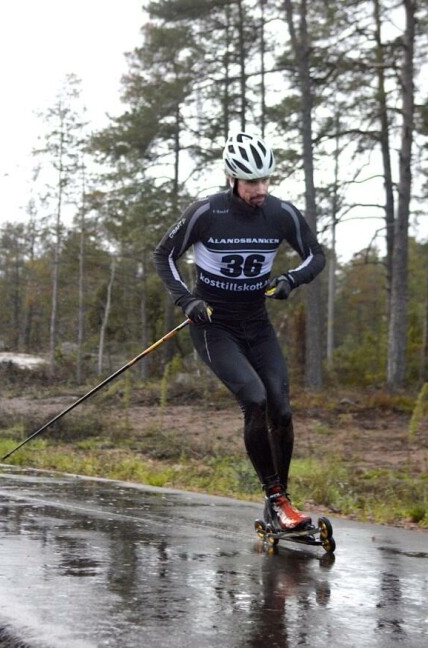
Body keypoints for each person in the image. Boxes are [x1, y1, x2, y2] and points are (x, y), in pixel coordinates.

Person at [153, 131, 326, 532]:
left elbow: (316, 255)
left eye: (265, 180)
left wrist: (290, 281)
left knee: (281, 408)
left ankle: (280, 501)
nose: (260, 189)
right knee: (255, 398)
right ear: (232, 179)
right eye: (251, 182)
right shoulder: (207, 213)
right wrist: (187, 300)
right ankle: (277, 500)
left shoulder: (280, 213)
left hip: (257, 323)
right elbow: (164, 255)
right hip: (213, 324)